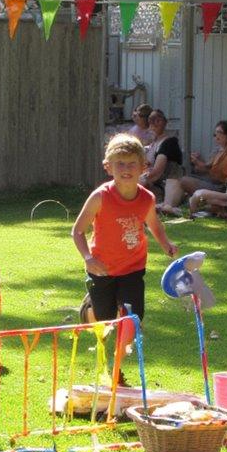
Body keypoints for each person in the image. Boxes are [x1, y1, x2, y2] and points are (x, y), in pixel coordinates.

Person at [72, 133, 177, 325]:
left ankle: (128, 342)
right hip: (102, 267)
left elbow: (154, 224)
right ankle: (89, 310)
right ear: (108, 167)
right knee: (105, 318)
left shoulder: (147, 199)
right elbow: (78, 231)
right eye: (120, 163)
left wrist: (165, 243)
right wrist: (88, 257)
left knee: (134, 317)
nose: (126, 169)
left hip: (133, 266)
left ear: (143, 168)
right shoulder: (100, 197)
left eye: (132, 164)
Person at [158, 120, 227, 215]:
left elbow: (224, 174)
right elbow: (206, 169)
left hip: (225, 188)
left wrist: (200, 165)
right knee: (173, 178)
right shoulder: (220, 150)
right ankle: (168, 206)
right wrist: (196, 160)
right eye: (215, 133)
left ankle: (169, 207)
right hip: (214, 183)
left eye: (219, 132)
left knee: (183, 180)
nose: (216, 136)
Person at [139, 109, 183, 200]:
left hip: (163, 186)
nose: (154, 123)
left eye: (158, 120)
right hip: (151, 182)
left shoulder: (169, 142)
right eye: (151, 120)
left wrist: (137, 180)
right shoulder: (152, 144)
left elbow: (156, 173)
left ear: (165, 122)